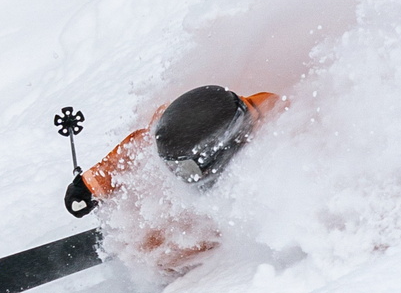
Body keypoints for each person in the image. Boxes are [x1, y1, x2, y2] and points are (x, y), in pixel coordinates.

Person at [64, 85, 280, 271]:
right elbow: (134, 151)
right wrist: (89, 185)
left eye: (182, 168)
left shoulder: (271, 141)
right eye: (169, 164)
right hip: (200, 198)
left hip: (226, 229)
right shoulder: (176, 131)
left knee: (160, 252)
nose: (173, 171)